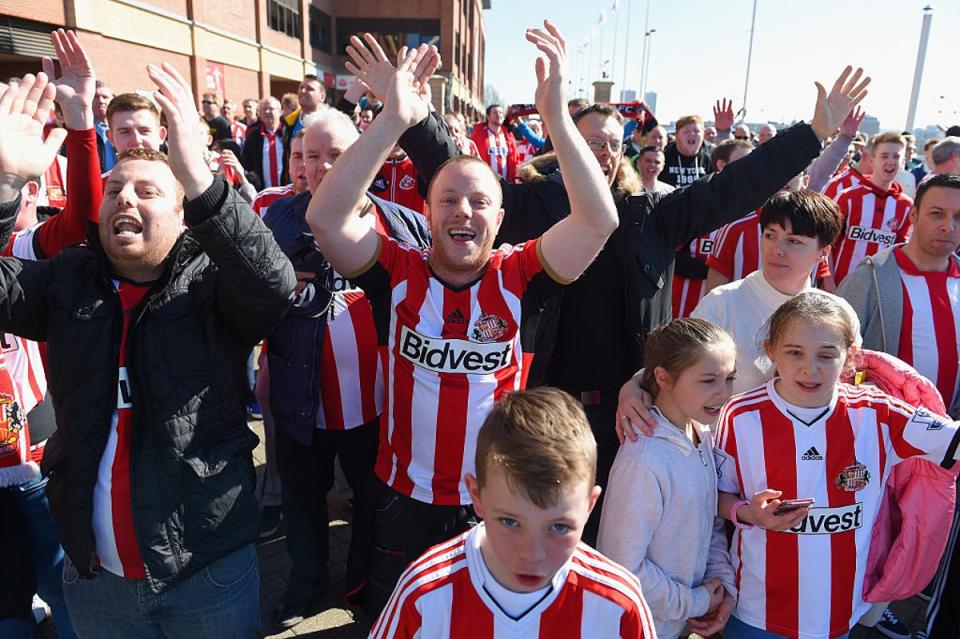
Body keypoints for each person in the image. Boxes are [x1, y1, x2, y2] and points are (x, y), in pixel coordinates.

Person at [367, 41, 868, 543]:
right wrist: (410, 115)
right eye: (586, 140)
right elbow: (457, 171)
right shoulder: (529, 207)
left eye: (609, 143)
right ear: (561, 143)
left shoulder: (651, 216)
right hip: (546, 407)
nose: (598, 153)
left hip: (634, 412)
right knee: (545, 536)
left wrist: (814, 134)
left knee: (621, 540)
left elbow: (732, 187)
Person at [317, 22, 618, 611]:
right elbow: (327, 219)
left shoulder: (521, 275)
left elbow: (598, 221)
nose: (464, 211)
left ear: (500, 219)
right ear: (425, 212)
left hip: (496, 503)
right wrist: (393, 120)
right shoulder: (396, 271)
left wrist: (556, 115)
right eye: (448, 199)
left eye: (480, 201)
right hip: (402, 494)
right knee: (402, 614)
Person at [0, 60, 295, 637]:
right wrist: (5, 186)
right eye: (113, 190)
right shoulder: (67, 279)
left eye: (147, 190)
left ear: (184, 216)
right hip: (96, 581)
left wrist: (203, 179)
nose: (123, 200)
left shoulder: (213, 282)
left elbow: (274, 286)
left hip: (207, 572)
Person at [264, 104, 431, 628]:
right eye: (311, 155)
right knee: (302, 500)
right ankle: (307, 586)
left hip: (380, 402)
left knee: (372, 499)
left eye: (336, 154)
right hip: (300, 396)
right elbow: (245, 301)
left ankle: (360, 585)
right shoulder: (277, 218)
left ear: (365, 156)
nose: (321, 166)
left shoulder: (404, 223)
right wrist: (275, 285)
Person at [714, 290, 960, 639]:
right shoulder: (739, 415)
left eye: (826, 355)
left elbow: (952, 441)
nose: (809, 368)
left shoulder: (880, 413)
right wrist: (749, 513)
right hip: (756, 609)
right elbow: (714, 497)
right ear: (771, 351)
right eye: (794, 352)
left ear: (850, 358)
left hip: (836, 613)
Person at [370, 388, 656, 638]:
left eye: (558, 527)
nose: (532, 553)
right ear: (476, 497)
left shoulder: (619, 606)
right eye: (510, 522)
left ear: (590, 506)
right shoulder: (424, 594)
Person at [598, 318, 736, 638]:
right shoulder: (643, 461)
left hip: (677, 626)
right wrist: (695, 601)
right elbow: (623, 568)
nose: (723, 393)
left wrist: (721, 584)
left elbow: (709, 520)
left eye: (730, 378)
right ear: (662, 377)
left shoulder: (702, 432)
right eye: (708, 380)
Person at [672, 138, 753, 318]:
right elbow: (668, 256)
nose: (752, 168)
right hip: (686, 312)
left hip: (732, 316)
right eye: (745, 162)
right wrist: (717, 270)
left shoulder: (758, 210)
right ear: (722, 166)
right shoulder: (694, 203)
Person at [829, 131, 913, 288]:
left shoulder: (906, 206)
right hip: (840, 286)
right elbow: (826, 244)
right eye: (884, 156)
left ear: (903, 162)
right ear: (872, 160)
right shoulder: (848, 197)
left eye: (896, 157)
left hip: (878, 291)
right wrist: (828, 282)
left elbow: (901, 253)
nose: (891, 161)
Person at [281, 75, 326, 180]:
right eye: (301, 88)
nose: (303, 91)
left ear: (322, 97)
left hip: (322, 186)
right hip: (295, 187)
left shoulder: (330, 122)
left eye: (309, 89)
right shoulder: (289, 122)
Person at [241, 96, 285, 190]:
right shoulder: (253, 136)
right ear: (259, 113)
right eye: (263, 109)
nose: (267, 112)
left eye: (270, 109)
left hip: (288, 191)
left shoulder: (288, 133)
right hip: (263, 192)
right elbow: (247, 162)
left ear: (280, 111)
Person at [470, 103, 520, 182]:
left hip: (506, 183)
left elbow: (515, 159)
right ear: (488, 116)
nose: (499, 115)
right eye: (495, 112)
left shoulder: (509, 135)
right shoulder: (478, 134)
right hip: (485, 182)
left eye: (500, 112)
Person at [662, 114, 712, 187]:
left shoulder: (710, 160)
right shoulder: (664, 159)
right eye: (686, 131)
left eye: (696, 131)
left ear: (703, 135)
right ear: (676, 136)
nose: (692, 134)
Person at [92, 80, 115, 171]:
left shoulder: (123, 129)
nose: (101, 101)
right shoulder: (82, 131)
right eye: (96, 97)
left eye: (105, 97)